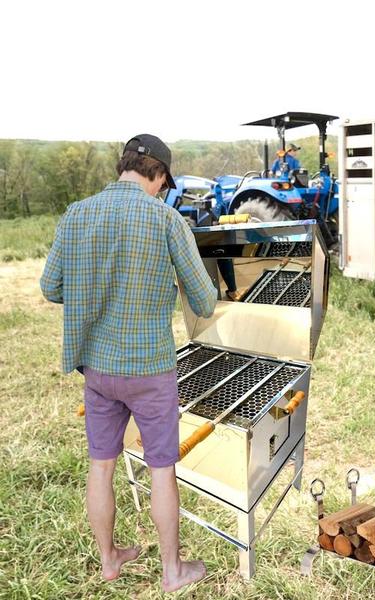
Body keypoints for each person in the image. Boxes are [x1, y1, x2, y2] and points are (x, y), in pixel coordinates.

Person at [40, 134, 218, 590]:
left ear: (124, 166)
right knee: (161, 469)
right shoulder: (167, 220)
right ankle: (173, 571)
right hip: (150, 371)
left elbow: (51, 287)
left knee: (100, 465)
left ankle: (109, 559)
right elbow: (204, 299)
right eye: (163, 182)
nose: (162, 190)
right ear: (157, 174)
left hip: (97, 369)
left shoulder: (76, 214)